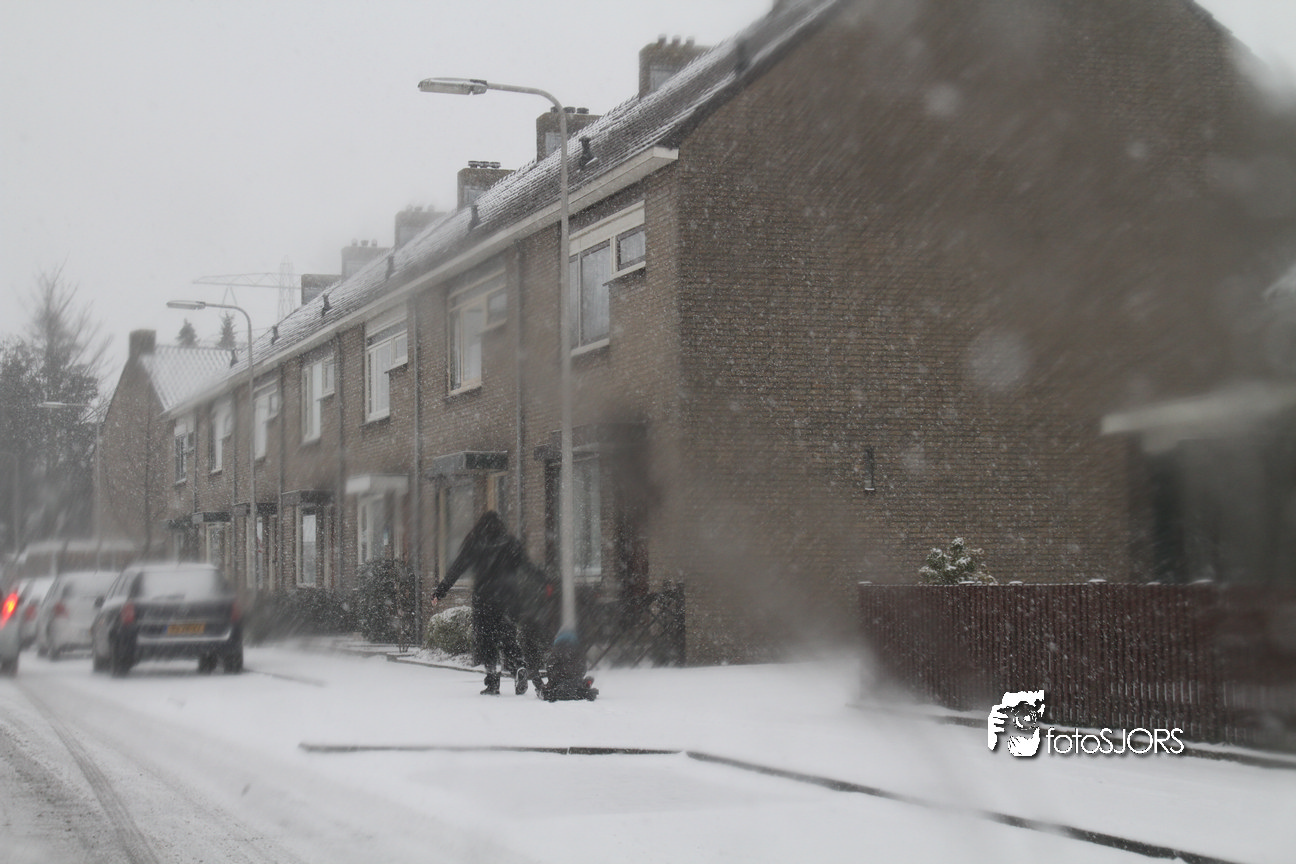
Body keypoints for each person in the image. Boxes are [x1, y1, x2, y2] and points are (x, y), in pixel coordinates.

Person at [429, 511, 555, 695]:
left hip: (485, 598)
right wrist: (545, 582)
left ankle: (492, 681)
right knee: (507, 637)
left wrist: (440, 591)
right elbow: (527, 566)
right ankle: (519, 666)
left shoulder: (475, 543)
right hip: (509, 597)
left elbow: (457, 568)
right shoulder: (510, 543)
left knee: (487, 640)